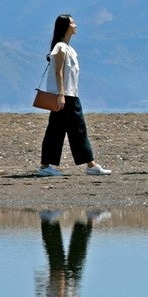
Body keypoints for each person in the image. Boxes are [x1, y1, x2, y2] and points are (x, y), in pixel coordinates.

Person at [37, 14, 110, 176]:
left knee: (59, 130)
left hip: (69, 95)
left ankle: (46, 165)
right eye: (72, 23)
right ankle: (90, 165)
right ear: (65, 27)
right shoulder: (61, 48)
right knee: (76, 129)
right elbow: (58, 72)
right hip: (66, 96)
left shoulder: (68, 48)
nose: (75, 25)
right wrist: (61, 94)